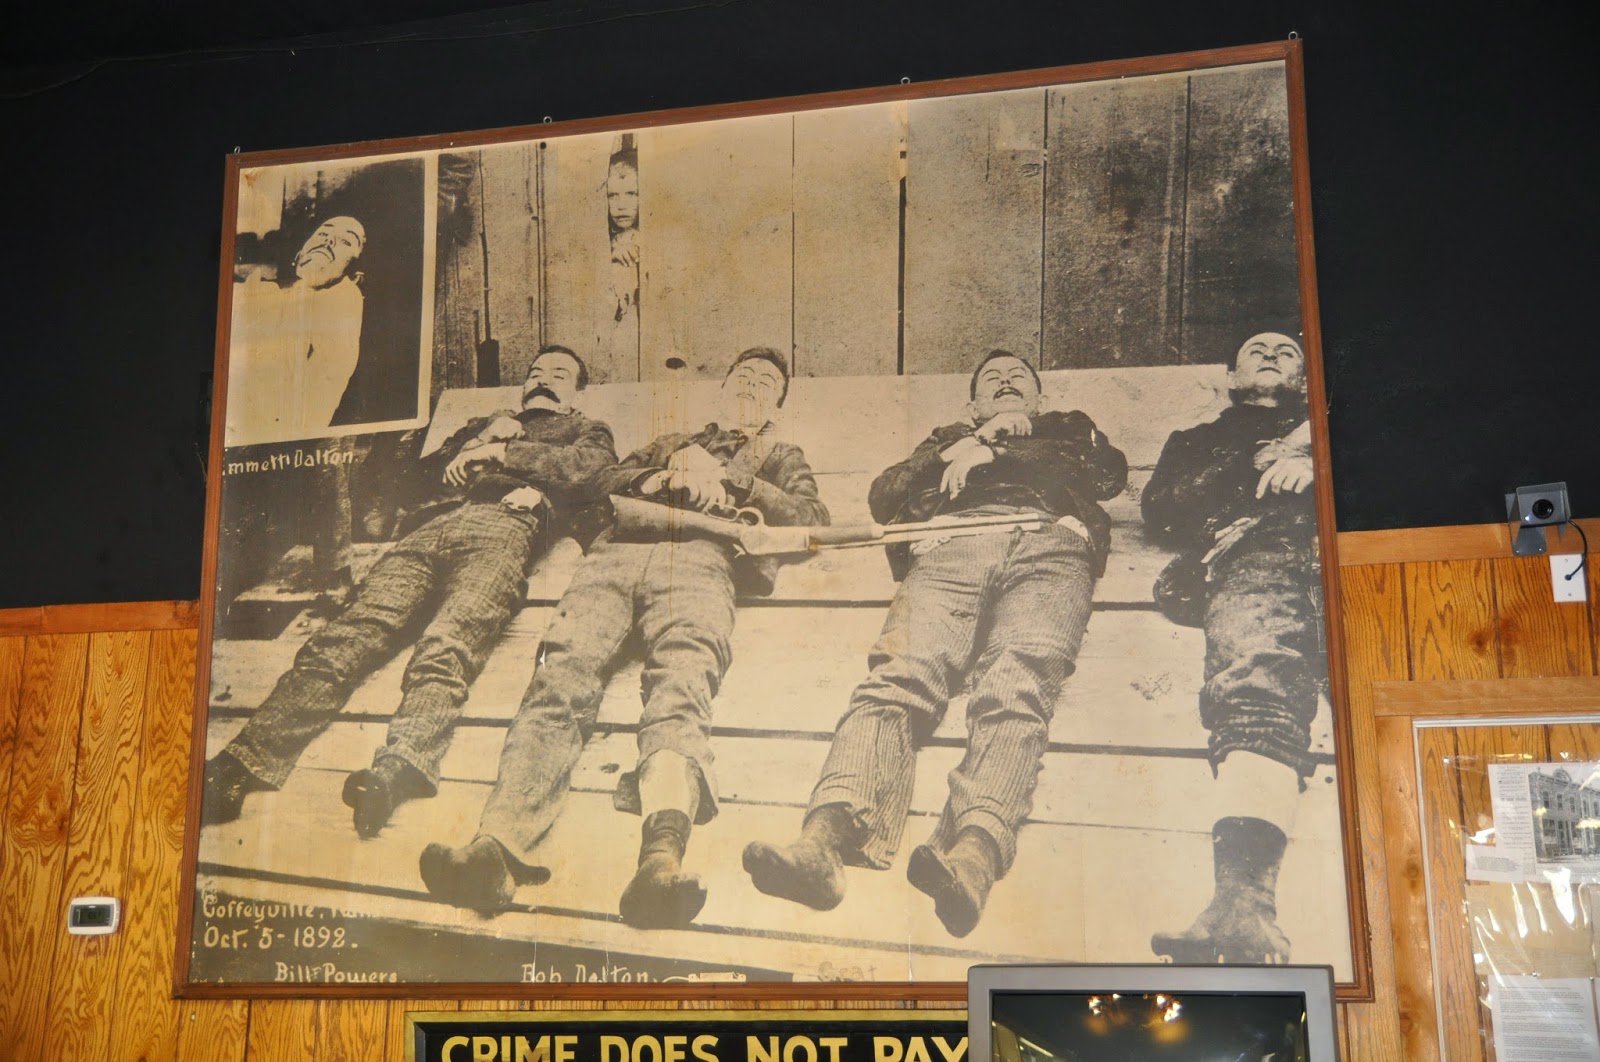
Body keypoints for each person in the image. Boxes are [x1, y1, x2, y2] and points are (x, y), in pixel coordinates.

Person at [419, 346, 829, 929]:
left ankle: (659, 863)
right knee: (559, 676)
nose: (752, 386)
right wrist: (662, 474)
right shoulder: (673, 439)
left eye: (767, 382)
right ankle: (496, 848)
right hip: (616, 556)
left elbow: (813, 519)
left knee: (682, 685)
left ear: (776, 406)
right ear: (723, 388)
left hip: (701, 560)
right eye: (743, 376)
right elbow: (605, 478)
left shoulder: (781, 454)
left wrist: (734, 485)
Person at [742, 350, 1128, 938]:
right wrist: (959, 447)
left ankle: (973, 855)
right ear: (970, 404)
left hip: (1050, 545)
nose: (1005, 383)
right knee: (897, 677)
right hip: (950, 547)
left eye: (1017, 378)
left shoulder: (1068, 428)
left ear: (1039, 398)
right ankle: (823, 841)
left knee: (1016, 684)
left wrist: (996, 447)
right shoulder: (943, 441)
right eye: (990, 381)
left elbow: (1108, 471)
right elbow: (884, 493)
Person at [203, 346, 618, 836]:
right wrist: (477, 439)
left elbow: (592, 471)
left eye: (559, 375)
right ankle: (241, 764)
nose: (543, 380)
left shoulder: (585, 430)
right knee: (344, 638)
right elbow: (406, 487)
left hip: (505, 526)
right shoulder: (483, 425)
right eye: (535, 373)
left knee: (448, 644)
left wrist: (505, 453)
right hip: (428, 531)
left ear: (577, 395)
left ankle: (400, 768)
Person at [1140, 330, 1322, 964]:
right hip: (1257, 550)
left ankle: (1242, 909)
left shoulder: (1330, 422)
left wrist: (1312, 455)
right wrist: (1257, 460)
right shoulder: (1198, 441)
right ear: (1230, 374)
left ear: (1305, 376)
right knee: (1256, 679)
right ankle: (1243, 904)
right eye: (1256, 349)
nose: (1272, 353)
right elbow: (1163, 509)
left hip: (1347, 559)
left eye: (1287, 350)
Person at [226, 215, 370, 446]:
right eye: (323, 234)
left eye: (346, 241)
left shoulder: (343, 299)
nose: (328, 242)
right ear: (300, 253)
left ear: (355, 272)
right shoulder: (275, 293)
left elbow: (321, 391)